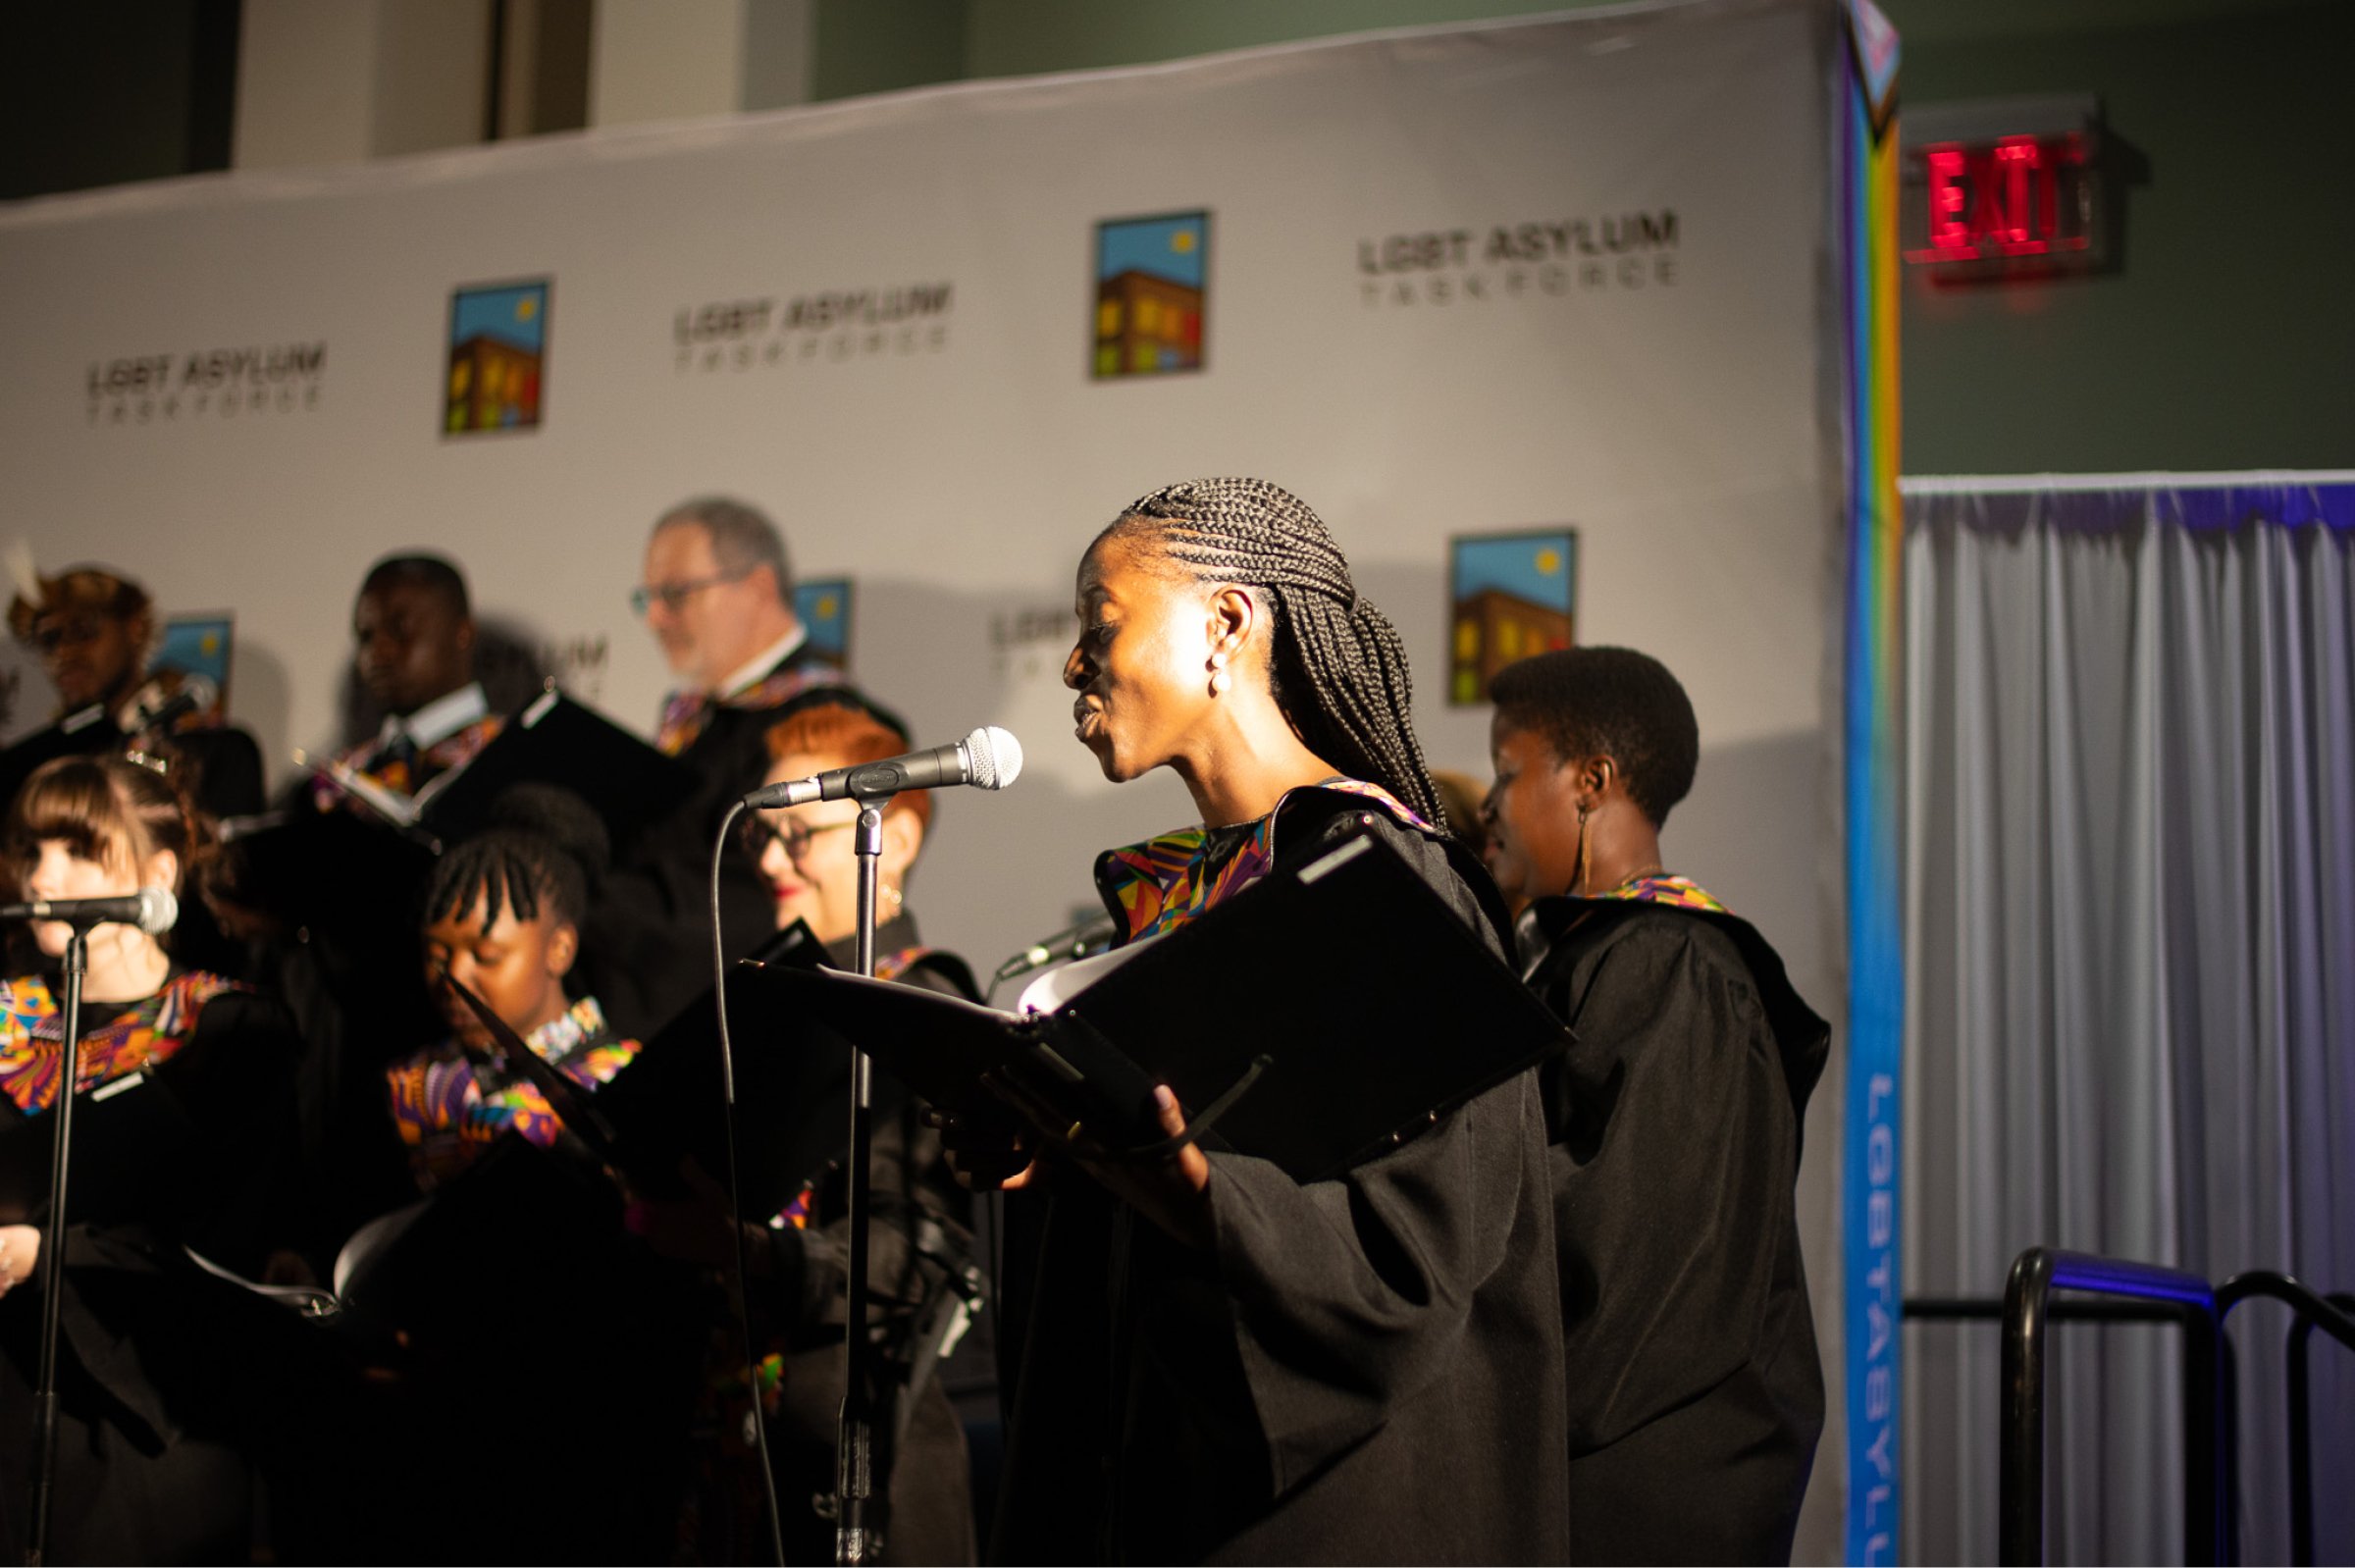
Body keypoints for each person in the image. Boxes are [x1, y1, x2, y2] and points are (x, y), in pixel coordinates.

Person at [958, 477, 1569, 1563]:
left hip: (1337, 1515)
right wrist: (1060, 1157)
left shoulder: (1386, 889)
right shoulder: (1179, 907)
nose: (1070, 664)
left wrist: (1200, 1193)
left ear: (1228, 624)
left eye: (1101, 622)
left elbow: (1414, 1257)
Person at [1482, 646, 1828, 1564]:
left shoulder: (1671, 963)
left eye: (1509, 773)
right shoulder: (1591, 958)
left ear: (1591, 781)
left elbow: (1630, 1245)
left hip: (1642, 1489)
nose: (1490, 804)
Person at [654, 702, 982, 1565]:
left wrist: (749, 1253)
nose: (768, 858)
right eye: (766, 833)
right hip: (735, 1458)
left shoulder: (929, 1002)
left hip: (867, 1477)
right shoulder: (773, 1008)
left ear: (895, 842)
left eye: (799, 833)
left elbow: (914, 1249)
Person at [0, 754, 335, 1561]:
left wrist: (50, 1254)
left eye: (79, 851)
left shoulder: (224, 1030)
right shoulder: (7, 1016)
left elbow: (237, 1244)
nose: (44, 875)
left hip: (140, 1428)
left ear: (157, 872)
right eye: (32, 850)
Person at [606, 497, 897, 1032]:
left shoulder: (824, 721)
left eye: (676, 593)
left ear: (759, 586)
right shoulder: (695, 722)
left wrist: (583, 902)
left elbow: (746, 904)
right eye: (648, 597)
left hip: (740, 1033)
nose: (655, 616)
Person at [385, 784, 638, 1188]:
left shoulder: (623, 1085)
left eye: (486, 956)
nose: (454, 979)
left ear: (559, 949)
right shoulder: (415, 1081)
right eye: (436, 956)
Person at [2, 563, 263, 829]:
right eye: (49, 639)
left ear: (135, 629)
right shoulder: (31, 765)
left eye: (83, 631)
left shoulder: (213, 752)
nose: (64, 653)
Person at [314, 552, 497, 806]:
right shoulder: (339, 776)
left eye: (399, 631)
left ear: (462, 633)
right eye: (365, 636)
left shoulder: (517, 754)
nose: (377, 653)